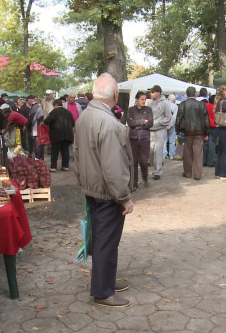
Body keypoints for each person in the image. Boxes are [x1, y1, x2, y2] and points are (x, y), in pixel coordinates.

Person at [73, 73, 134, 308]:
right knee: (106, 241)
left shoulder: (85, 117)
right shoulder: (109, 124)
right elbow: (114, 168)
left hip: (93, 188)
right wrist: (124, 198)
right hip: (107, 192)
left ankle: (105, 281)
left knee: (102, 239)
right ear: (115, 95)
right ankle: (103, 291)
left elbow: (77, 155)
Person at [176, 86, 209, 180]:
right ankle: (197, 174)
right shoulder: (201, 104)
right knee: (198, 153)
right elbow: (206, 120)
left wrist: (177, 130)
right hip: (199, 132)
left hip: (187, 131)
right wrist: (206, 132)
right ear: (195, 94)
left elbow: (178, 118)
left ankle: (187, 172)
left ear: (187, 94)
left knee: (187, 153)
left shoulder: (183, 104)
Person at [127, 92, 154, 191]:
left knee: (143, 161)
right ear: (137, 99)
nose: (143, 101)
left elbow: (150, 123)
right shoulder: (131, 110)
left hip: (144, 138)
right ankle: (134, 183)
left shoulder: (148, 110)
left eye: (145, 99)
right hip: (133, 138)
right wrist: (142, 121)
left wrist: (136, 124)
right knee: (133, 161)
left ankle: (145, 178)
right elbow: (130, 123)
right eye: (142, 99)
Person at [43, 99, 75, 171]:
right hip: (67, 134)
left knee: (55, 151)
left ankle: (53, 167)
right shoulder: (68, 112)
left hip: (57, 135)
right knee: (65, 151)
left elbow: (47, 121)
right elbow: (73, 123)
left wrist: (43, 123)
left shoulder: (54, 112)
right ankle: (65, 166)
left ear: (56, 105)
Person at [148, 85, 171, 180]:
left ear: (158, 93)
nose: (151, 93)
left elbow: (168, 117)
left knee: (158, 150)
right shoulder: (149, 103)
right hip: (150, 129)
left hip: (160, 129)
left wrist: (158, 123)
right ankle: (154, 167)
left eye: (153, 92)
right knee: (151, 150)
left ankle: (157, 171)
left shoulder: (165, 103)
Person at [203, 95, 218, 167]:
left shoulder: (205, 105)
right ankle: (210, 162)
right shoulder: (215, 108)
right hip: (213, 126)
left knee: (205, 143)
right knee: (212, 144)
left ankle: (203, 160)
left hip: (205, 126)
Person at [163, 94, 178, 160]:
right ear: (174, 100)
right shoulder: (175, 106)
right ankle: (171, 155)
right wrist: (171, 125)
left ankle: (164, 154)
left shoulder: (163, 105)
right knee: (172, 141)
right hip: (172, 125)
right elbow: (174, 117)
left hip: (163, 124)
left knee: (164, 140)